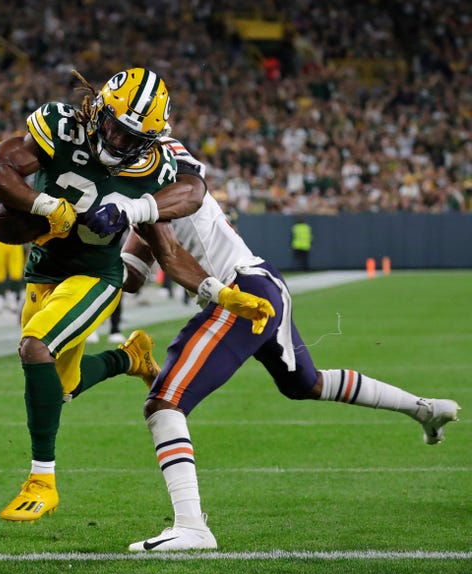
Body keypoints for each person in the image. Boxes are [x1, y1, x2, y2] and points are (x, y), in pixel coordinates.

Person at [119, 139, 460, 552]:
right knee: (306, 384)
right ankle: (424, 409)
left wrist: (130, 213)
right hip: (264, 283)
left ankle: (191, 526)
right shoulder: (144, 198)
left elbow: (179, 221)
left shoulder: (166, 179)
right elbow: (132, 277)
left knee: (164, 403)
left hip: (241, 293)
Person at [0, 68, 214, 522]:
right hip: (43, 272)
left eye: (131, 137)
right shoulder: (60, 125)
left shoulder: (152, 167)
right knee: (61, 386)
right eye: (111, 124)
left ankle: (41, 480)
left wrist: (214, 290)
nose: (116, 140)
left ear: (150, 140)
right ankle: (130, 359)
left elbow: (183, 213)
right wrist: (43, 207)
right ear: (97, 110)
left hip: (95, 276)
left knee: (35, 347)